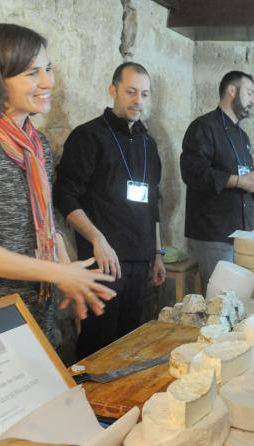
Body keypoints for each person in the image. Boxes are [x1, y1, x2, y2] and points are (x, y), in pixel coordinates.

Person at [0, 23, 115, 345]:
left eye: (48, 68)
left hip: (34, 314)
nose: (48, 82)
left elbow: (44, 223)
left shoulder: (37, 144)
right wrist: (57, 273)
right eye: (32, 73)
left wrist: (69, 271)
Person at [54, 63, 165, 359]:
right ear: (113, 90)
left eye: (144, 93)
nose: (138, 100)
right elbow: (64, 195)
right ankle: (88, 404)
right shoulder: (88, 136)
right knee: (97, 344)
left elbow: (154, 203)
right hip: (104, 260)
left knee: (129, 342)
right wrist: (97, 239)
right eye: (130, 91)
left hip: (140, 261)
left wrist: (157, 254)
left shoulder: (148, 144)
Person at [180, 71, 254, 288]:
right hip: (213, 233)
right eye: (250, 93)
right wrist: (238, 181)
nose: (253, 100)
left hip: (242, 235)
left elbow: (244, 181)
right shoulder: (203, 127)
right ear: (231, 91)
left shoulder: (242, 137)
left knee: (238, 299)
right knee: (220, 301)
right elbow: (193, 173)